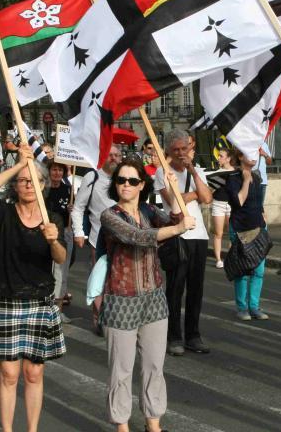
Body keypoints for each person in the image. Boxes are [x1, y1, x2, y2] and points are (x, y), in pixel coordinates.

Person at [0, 145, 66, 432]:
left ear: (43, 185)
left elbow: (60, 259)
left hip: (39, 299)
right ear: (15, 185)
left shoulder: (53, 219)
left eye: (34, 180)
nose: (28, 185)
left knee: (34, 372)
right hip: (6, 298)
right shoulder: (3, 213)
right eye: (22, 181)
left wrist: (53, 240)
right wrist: (18, 165)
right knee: (9, 372)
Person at [98, 158, 194, 432]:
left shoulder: (150, 210)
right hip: (121, 300)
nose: (125, 185)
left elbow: (175, 221)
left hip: (154, 299)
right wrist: (177, 227)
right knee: (121, 370)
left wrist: (173, 193)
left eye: (131, 180)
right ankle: (122, 425)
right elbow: (139, 237)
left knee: (154, 366)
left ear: (142, 184)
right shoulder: (110, 216)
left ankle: (154, 424)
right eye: (120, 180)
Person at [154, 129, 213, 357]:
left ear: (190, 147)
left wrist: (192, 173)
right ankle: (174, 336)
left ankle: (193, 335)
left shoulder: (197, 170)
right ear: (168, 151)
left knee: (196, 289)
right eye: (176, 150)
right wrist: (194, 194)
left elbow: (207, 198)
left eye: (184, 148)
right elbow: (172, 201)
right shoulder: (162, 172)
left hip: (198, 236)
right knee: (175, 290)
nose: (180, 153)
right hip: (177, 235)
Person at [71, 144, 121, 334]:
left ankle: (116, 316)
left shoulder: (123, 178)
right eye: (111, 155)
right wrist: (78, 232)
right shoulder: (92, 177)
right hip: (98, 240)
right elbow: (78, 208)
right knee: (99, 280)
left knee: (118, 281)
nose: (114, 159)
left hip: (122, 240)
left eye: (117, 155)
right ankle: (99, 319)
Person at [225, 149, 270, 321]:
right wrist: (245, 180)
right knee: (242, 271)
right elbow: (238, 201)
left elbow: (259, 202)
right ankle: (242, 307)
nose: (254, 156)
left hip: (258, 227)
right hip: (240, 228)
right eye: (249, 153)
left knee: (259, 271)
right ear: (240, 157)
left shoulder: (257, 177)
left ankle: (254, 306)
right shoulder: (233, 178)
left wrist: (264, 218)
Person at [46, 161, 73, 322]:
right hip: (47, 235)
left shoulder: (68, 190)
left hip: (64, 234)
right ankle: (45, 308)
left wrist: (72, 208)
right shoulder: (43, 189)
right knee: (47, 271)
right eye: (54, 169)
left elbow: (76, 210)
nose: (57, 173)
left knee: (62, 273)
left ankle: (59, 310)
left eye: (60, 170)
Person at [207, 147, 235, 268]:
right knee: (218, 233)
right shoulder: (216, 173)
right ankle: (218, 259)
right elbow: (210, 189)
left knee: (232, 233)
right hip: (218, 203)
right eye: (218, 156)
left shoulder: (235, 172)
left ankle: (231, 257)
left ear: (228, 158)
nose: (218, 158)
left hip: (232, 204)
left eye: (221, 156)